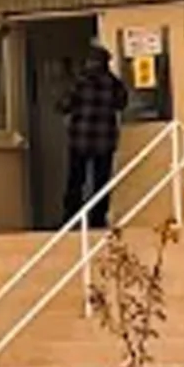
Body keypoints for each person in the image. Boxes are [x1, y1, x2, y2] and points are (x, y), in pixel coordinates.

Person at [60, 40, 130, 229]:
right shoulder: (113, 83)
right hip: (104, 139)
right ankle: (98, 219)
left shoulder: (79, 82)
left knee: (76, 180)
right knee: (101, 181)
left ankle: (71, 218)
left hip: (79, 138)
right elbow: (122, 104)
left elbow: (64, 105)